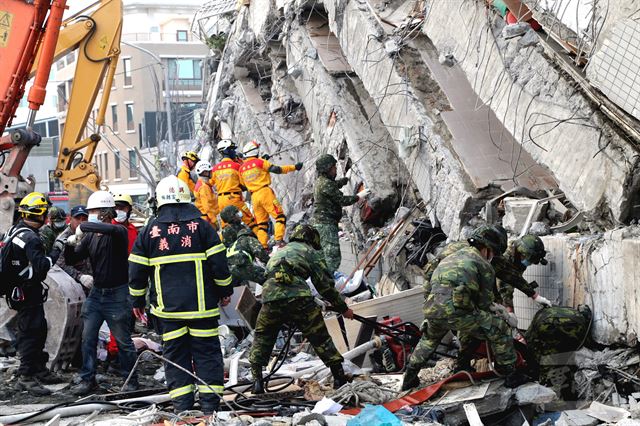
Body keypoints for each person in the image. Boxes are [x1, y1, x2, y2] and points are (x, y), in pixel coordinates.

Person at [129, 176, 233, 414]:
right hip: (202, 310)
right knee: (207, 355)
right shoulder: (203, 228)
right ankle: (210, 410)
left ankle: (182, 410)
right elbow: (219, 265)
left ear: (159, 202)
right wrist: (225, 291)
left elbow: (136, 271)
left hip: (168, 312)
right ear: (188, 199)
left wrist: (137, 301)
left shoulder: (149, 232)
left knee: (176, 357)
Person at [401, 226, 528, 391]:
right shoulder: (483, 265)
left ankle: (409, 378)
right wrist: (501, 313)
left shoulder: (448, 257)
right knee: (498, 327)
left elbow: (427, 287)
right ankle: (511, 374)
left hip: (432, 308)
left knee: (429, 340)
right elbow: (484, 304)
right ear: (488, 249)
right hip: (458, 311)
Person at [249, 224, 354, 394]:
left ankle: (257, 383)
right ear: (312, 240)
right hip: (300, 299)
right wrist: (343, 308)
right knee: (319, 336)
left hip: (270, 299)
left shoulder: (278, 252)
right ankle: (339, 377)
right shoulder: (310, 252)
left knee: (263, 336)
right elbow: (324, 285)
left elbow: (267, 277)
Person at [64, 191, 138, 395]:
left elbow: (99, 228)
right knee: (88, 337)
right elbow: (73, 259)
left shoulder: (118, 232)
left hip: (117, 293)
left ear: (106, 213)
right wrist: (70, 245)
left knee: (123, 340)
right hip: (97, 293)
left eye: (94, 211)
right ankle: (88, 378)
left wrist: (82, 227)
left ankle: (130, 379)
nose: (91, 215)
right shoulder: (90, 237)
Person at [4, 192, 65, 395]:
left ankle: (39, 368)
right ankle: (26, 376)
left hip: (20, 290)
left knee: (39, 328)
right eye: (45, 212)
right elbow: (41, 267)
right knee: (31, 332)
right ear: (39, 213)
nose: (48, 216)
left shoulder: (16, 230)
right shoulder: (31, 238)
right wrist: (57, 249)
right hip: (27, 292)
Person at [312, 154, 370, 273]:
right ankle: (329, 284)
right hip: (326, 226)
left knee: (327, 257)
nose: (336, 169)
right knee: (332, 258)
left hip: (322, 224)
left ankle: (327, 281)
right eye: (333, 167)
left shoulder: (321, 181)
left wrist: (345, 180)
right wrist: (359, 196)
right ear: (327, 169)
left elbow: (334, 185)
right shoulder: (325, 184)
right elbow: (342, 200)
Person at [239, 140, 303, 247]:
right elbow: (277, 170)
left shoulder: (242, 169)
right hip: (265, 192)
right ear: (255, 152)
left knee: (262, 225)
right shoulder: (260, 162)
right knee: (280, 217)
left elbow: (243, 185)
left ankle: (262, 246)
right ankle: (279, 240)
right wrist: (294, 167)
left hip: (254, 197)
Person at [493, 234, 552, 311]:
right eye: (529, 261)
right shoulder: (505, 258)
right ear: (522, 253)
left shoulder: (519, 256)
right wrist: (509, 310)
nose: (529, 263)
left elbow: (516, 278)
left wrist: (534, 296)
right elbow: (505, 286)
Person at [211, 139, 256, 230]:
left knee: (226, 227)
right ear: (227, 151)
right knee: (251, 221)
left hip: (221, 200)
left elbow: (212, 183)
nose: (234, 152)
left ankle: (227, 243)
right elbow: (244, 183)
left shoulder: (215, 169)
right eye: (232, 150)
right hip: (234, 199)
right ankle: (261, 242)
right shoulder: (236, 166)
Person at [221, 206, 269, 287]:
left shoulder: (243, 226)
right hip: (238, 262)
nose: (239, 214)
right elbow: (229, 248)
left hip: (244, 261)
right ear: (231, 217)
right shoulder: (228, 230)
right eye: (236, 213)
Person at [56, 205, 93, 292]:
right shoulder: (63, 238)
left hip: (94, 281)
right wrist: (80, 277)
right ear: (71, 219)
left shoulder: (90, 233)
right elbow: (60, 265)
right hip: (74, 285)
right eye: (77, 218)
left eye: (84, 219)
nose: (81, 222)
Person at [194, 160, 219, 228]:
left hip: (205, 218)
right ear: (205, 172)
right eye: (210, 171)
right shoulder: (204, 187)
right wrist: (215, 220)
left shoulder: (201, 184)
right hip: (208, 219)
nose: (211, 172)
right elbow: (207, 206)